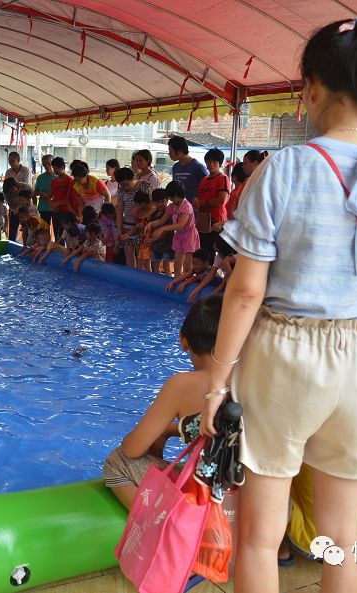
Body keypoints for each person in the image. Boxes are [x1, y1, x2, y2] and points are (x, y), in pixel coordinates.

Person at [203, 19, 357, 593]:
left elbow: (245, 290)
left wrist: (216, 383)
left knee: (262, 536)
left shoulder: (285, 167)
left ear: (312, 87)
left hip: (286, 351)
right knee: (346, 535)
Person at [103, 294, 223, 508]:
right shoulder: (250, 378)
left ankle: (161, 523)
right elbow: (220, 429)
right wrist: (171, 429)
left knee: (117, 461)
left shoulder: (182, 384)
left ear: (183, 340)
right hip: (245, 488)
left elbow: (133, 449)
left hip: (205, 494)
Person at [148, 181, 198, 276]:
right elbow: (162, 221)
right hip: (179, 235)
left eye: (171, 197)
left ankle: (187, 284)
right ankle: (177, 281)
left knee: (187, 266)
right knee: (177, 265)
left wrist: (162, 229)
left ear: (176, 195)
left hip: (189, 236)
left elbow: (180, 225)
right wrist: (150, 224)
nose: (170, 199)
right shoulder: (172, 206)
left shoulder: (186, 206)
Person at [195, 148, 229, 255]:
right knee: (202, 250)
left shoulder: (223, 178)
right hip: (203, 219)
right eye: (209, 161)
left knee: (212, 250)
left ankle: (211, 271)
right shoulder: (204, 179)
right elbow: (199, 196)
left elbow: (221, 200)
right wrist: (195, 200)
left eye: (214, 162)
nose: (211, 164)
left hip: (216, 220)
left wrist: (204, 203)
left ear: (220, 163)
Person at [168, 136, 208, 210]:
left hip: (194, 211)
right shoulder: (175, 167)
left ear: (179, 151)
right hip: (179, 209)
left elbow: (208, 187)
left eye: (171, 151)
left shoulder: (198, 167)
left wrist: (197, 196)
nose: (169, 154)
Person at [49, 157, 80, 238]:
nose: (54, 170)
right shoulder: (53, 181)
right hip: (56, 211)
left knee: (67, 234)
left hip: (66, 211)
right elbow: (49, 195)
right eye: (53, 168)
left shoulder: (70, 180)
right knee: (57, 234)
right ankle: (58, 249)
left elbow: (68, 198)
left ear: (62, 167)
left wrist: (56, 204)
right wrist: (52, 205)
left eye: (55, 168)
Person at [122, 191, 153, 272]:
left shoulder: (153, 211)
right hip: (141, 240)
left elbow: (156, 226)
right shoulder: (140, 212)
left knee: (146, 264)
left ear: (143, 203)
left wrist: (145, 226)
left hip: (149, 241)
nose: (136, 206)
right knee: (140, 264)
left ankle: (149, 281)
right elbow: (137, 226)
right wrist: (128, 234)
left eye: (137, 204)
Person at [149, 189, 174, 276]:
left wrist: (152, 239)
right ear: (154, 202)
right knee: (155, 266)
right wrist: (148, 239)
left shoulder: (169, 214)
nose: (160, 204)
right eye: (158, 202)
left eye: (163, 201)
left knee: (166, 267)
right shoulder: (153, 215)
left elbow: (168, 228)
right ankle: (156, 284)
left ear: (167, 200)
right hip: (156, 245)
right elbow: (150, 228)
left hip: (168, 244)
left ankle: (169, 285)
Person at [34, 155, 55, 228]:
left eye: (49, 163)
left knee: (58, 230)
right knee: (44, 229)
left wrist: (50, 195)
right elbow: (35, 192)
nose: (47, 166)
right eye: (44, 164)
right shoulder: (40, 177)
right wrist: (40, 193)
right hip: (44, 208)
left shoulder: (58, 176)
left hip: (56, 207)